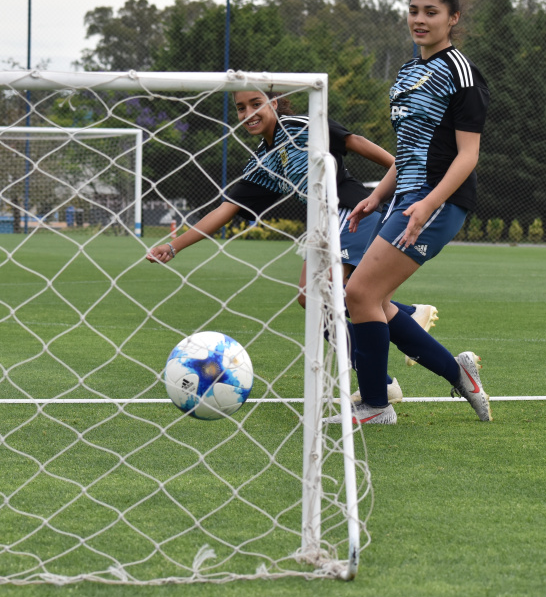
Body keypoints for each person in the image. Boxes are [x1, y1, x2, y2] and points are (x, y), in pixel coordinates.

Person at [146, 88, 435, 403]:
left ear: (273, 103)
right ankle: (386, 368)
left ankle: (394, 341)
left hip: (349, 213)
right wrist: (174, 246)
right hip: (322, 227)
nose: (248, 114)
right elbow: (227, 209)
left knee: (324, 293)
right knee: (309, 299)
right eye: (241, 108)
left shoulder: (300, 125)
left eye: (256, 104)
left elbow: (354, 141)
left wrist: (405, 174)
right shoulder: (265, 157)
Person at [329, 0, 492, 426]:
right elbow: (408, 152)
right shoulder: (408, 71)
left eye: (431, 12)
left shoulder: (461, 72)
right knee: (373, 301)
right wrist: (375, 195)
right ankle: (457, 372)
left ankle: (376, 405)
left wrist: (428, 203)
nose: (419, 20)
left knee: (358, 292)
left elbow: (468, 155)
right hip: (406, 198)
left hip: (438, 201)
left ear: (453, 18)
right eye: (414, 11)